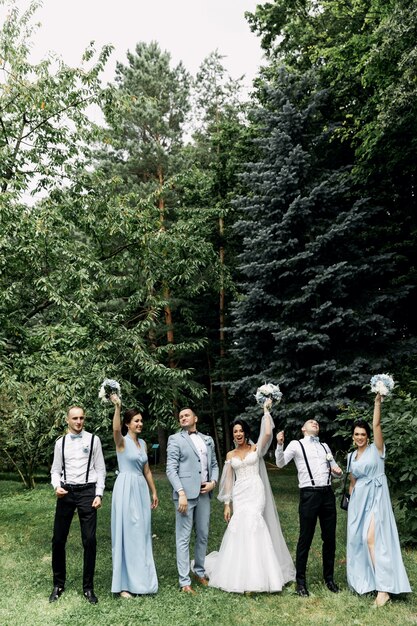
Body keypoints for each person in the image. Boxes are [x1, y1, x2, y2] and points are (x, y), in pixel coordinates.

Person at [204, 399, 295, 593]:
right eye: (235, 431)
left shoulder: (255, 449)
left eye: (240, 431)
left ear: (246, 433)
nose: (238, 434)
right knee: (240, 525)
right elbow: (228, 480)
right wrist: (227, 503)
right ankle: (239, 573)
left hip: (255, 489)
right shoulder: (230, 455)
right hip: (240, 492)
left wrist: (266, 411)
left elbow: (268, 433)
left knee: (254, 523)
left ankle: (261, 575)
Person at [346, 392, 411, 606]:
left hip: (376, 498)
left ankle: (384, 590)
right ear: (353, 436)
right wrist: (349, 500)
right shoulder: (350, 457)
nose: (360, 437)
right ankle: (369, 582)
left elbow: (377, 426)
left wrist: (377, 403)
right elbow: (353, 481)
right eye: (356, 434)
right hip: (358, 502)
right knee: (359, 542)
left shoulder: (377, 449)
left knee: (371, 539)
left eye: (363, 434)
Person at [275, 418, 342, 597]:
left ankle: (329, 579)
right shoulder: (296, 445)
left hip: (327, 495)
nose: (315, 423)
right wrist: (280, 445)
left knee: (330, 539)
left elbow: (335, 471)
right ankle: (301, 583)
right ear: (303, 429)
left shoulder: (325, 447)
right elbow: (280, 464)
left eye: (317, 422)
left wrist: (338, 473)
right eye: (310, 422)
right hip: (309, 495)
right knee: (305, 538)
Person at [49, 406, 106, 604]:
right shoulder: (60, 443)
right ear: (67, 420)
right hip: (66, 492)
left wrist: (99, 493)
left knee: (89, 540)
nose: (79, 421)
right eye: (75, 418)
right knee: (58, 539)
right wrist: (57, 486)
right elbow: (55, 470)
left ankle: (88, 588)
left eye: (82, 418)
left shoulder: (93, 440)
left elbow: (100, 469)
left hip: (88, 492)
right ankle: (58, 584)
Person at [166, 407, 219, 593]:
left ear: (195, 418)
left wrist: (213, 482)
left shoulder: (208, 440)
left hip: (204, 493)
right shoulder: (175, 439)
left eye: (186, 415)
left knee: (203, 534)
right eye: (180, 416)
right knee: (183, 537)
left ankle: (199, 571)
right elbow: (171, 469)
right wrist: (180, 492)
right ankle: (184, 582)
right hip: (184, 497)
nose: (183, 418)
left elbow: (214, 465)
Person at [110, 395, 158, 597]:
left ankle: (142, 581)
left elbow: (147, 470)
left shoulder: (144, 444)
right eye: (136, 421)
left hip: (141, 490)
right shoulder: (122, 442)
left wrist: (154, 491)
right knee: (127, 534)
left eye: (141, 420)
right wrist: (118, 408)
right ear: (128, 424)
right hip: (125, 490)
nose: (140, 423)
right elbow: (114, 429)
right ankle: (124, 586)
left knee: (142, 534)